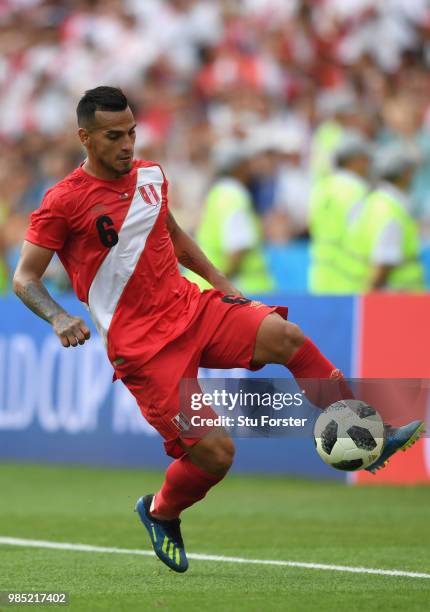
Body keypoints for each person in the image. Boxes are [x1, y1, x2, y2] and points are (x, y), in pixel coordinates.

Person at [13, 86, 423, 574]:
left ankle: (369, 433)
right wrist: (58, 317)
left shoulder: (150, 176)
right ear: (85, 137)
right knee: (215, 454)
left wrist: (225, 287)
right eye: (113, 136)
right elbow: (25, 277)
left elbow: (174, 235)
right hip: (145, 349)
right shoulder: (61, 202)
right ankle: (162, 512)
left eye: (132, 133)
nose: (127, 145)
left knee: (286, 337)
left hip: (193, 308)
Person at [185, 139, 273, 294]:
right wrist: (224, 289)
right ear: (239, 167)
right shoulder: (235, 197)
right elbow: (237, 249)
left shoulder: (217, 193)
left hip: (202, 286)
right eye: (247, 163)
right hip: (242, 291)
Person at [345, 144, 425, 291]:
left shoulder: (372, 202)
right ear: (404, 174)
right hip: (397, 301)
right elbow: (382, 265)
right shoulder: (391, 211)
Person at [309, 130, 372, 293]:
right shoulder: (358, 191)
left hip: (321, 280)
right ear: (355, 160)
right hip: (353, 282)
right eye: (366, 158)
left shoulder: (321, 188)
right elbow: (367, 236)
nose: (369, 164)